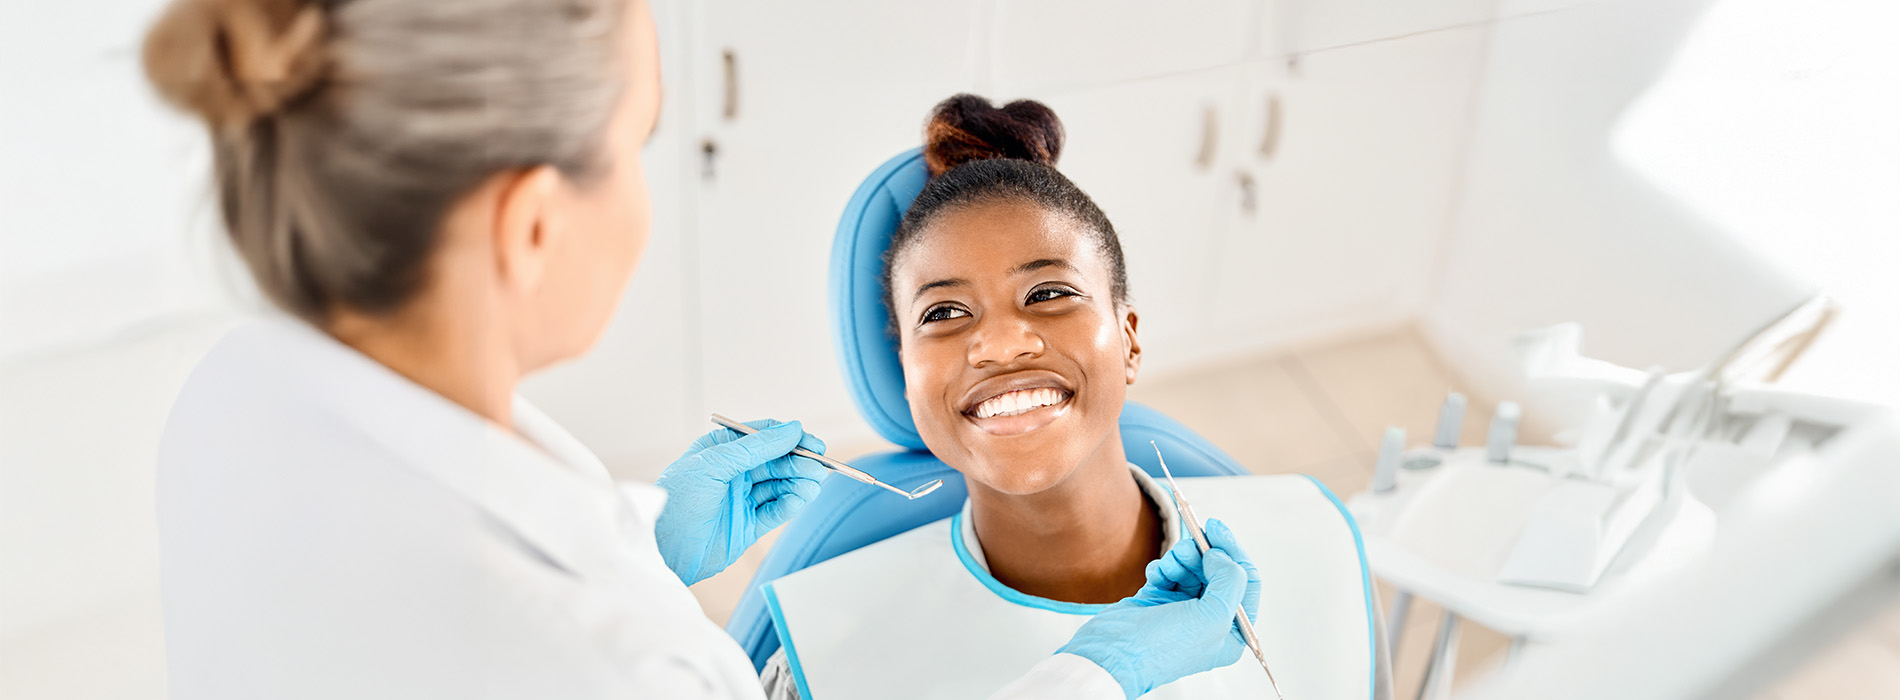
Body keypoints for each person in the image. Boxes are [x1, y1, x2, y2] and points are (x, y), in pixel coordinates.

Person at [140, 1, 1259, 698]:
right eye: (638, 143)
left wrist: (644, 537)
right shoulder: (627, 670)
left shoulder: (234, 389)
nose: (1002, 342)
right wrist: (1100, 676)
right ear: (533, 224)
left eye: (1051, 293)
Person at [756, 95, 1394, 700]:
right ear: (906, 376)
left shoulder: (1319, 540)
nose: (1001, 344)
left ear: (1129, 340)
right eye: (945, 311)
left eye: (1048, 293)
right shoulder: (825, 662)